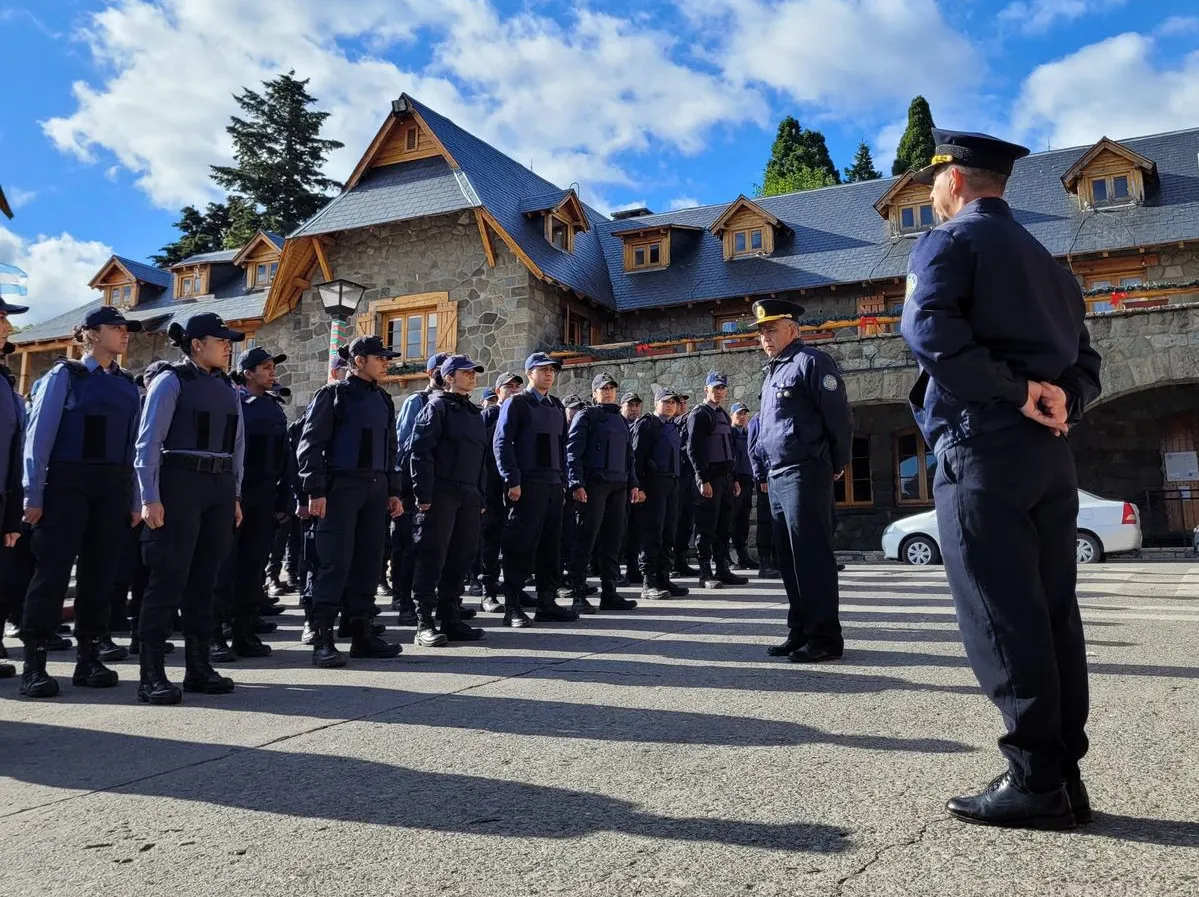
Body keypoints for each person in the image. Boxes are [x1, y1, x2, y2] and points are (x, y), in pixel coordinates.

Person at [899, 130, 1102, 829]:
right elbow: (1087, 362)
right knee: (1051, 614)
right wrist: (1059, 399)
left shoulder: (946, 243)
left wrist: (1014, 393)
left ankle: (1032, 778)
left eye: (932, 185)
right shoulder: (1051, 266)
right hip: (1049, 454)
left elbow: (928, 333)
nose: (931, 197)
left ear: (953, 181)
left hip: (981, 445)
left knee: (999, 614)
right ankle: (1062, 773)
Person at [17, 307, 142, 698]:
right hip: (67, 483)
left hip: (113, 485)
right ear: (91, 333)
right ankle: (34, 664)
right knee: (52, 572)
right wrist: (32, 492)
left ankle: (89, 657)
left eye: (127, 329)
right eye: (116, 328)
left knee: (101, 573)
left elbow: (134, 445)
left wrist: (137, 498)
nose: (124, 334)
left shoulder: (126, 383)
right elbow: (39, 438)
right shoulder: (64, 376)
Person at [135, 313, 246, 705]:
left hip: (217, 486)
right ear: (197, 343)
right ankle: (151, 675)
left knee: (205, 580)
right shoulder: (171, 381)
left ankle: (198, 667)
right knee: (168, 577)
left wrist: (234, 495)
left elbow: (237, 446)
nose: (228, 345)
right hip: (179, 482)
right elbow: (148, 442)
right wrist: (149, 496)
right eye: (221, 339)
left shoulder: (229, 388)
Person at [753, 299, 851, 665]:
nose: (765, 337)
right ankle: (801, 630)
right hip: (778, 473)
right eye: (761, 331)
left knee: (811, 555)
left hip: (806, 470)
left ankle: (825, 637)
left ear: (793, 330)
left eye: (771, 329)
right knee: (789, 558)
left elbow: (839, 416)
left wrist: (838, 462)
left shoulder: (811, 362)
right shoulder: (774, 371)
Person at [298, 336, 406, 667]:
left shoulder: (383, 400)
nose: (386, 363)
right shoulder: (332, 396)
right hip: (340, 488)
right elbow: (311, 444)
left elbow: (391, 447)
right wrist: (314, 490)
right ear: (359, 360)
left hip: (375, 489)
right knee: (334, 563)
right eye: (380, 358)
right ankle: (323, 639)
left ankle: (362, 635)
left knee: (368, 563)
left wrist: (393, 489)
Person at [211, 346, 292, 661]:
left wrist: (284, 497)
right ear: (247, 372)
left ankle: (244, 631)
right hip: (236, 494)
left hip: (264, 495)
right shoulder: (235, 404)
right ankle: (215, 633)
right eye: (266, 367)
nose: (272, 372)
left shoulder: (273, 407)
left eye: (273, 367)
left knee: (253, 566)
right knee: (224, 566)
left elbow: (285, 458)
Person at [409, 354, 489, 645]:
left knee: (460, 557)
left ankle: (450, 617)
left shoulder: (473, 412)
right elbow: (420, 452)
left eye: (473, 372)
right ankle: (424, 622)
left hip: (468, 494)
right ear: (449, 377)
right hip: (441, 493)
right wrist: (423, 493)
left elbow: (482, 457)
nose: (473, 376)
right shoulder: (436, 407)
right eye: (466, 372)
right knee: (433, 556)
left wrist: (480, 494)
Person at [493, 353, 578, 626]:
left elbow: (563, 447)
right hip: (528, 484)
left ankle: (546, 602)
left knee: (550, 547)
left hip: (553, 485)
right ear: (530, 373)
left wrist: (564, 480)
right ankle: (513, 606)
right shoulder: (517, 403)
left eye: (552, 370)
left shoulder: (555, 405)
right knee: (520, 545)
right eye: (542, 370)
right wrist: (512, 479)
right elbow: (502, 442)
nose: (549, 374)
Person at [564, 373, 642, 614]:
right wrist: (576, 483)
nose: (608, 392)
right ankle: (578, 594)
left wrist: (634, 484)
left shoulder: (620, 419)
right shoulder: (587, 416)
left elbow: (630, 457)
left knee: (613, 540)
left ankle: (610, 592)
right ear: (594, 392)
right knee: (585, 540)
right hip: (594, 486)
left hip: (618, 487)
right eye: (603, 388)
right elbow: (573, 452)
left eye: (611, 388)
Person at [390, 353, 450, 625]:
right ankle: (404, 600)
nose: (443, 373)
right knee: (408, 545)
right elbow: (405, 445)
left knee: (434, 547)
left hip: (443, 485)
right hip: (414, 486)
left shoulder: (453, 404)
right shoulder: (418, 401)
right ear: (430, 373)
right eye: (438, 368)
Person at [686, 372, 747, 590]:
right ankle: (705, 573)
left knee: (724, 526)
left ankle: (722, 569)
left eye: (722, 388)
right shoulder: (699, 414)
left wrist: (735, 479)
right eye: (715, 388)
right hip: (709, 479)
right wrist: (703, 479)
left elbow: (730, 450)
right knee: (706, 527)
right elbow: (693, 449)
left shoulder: (722, 414)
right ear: (706, 390)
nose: (719, 391)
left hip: (727, 479)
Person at [631, 387, 689, 601]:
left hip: (671, 484)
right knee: (651, 533)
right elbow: (636, 458)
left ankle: (664, 577)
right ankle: (649, 581)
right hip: (652, 486)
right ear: (656, 404)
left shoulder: (673, 427)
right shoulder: (647, 424)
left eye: (673, 402)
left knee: (668, 533)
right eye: (666, 402)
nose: (670, 406)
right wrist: (639, 486)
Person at [0, 300, 28, 680]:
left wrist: (11, 514)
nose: (7, 324)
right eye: (0, 316)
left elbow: (13, 448)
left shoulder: (5, 382)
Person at [478, 372, 522, 613]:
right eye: (509, 387)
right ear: (498, 392)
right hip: (493, 487)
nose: (514, 390)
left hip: (515, 485)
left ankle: (515, 589)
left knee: (516, 539)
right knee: (491, 540)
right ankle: (489, 591)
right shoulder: (489, 415)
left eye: (517, 386)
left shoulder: (522, 414)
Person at [747, 412, 778, 578]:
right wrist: (760, 477)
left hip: (781, 475)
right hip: (766, 478)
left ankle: (778, 559)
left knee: (780, 520)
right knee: (765, 520)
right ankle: (765, 561)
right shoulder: (757, 420)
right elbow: (753, 451)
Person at [671, 394, 698, 579]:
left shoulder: (687, 423)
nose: (682, 405)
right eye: (678, 402)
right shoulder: (669, 426)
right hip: (674, 478)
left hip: (688, 477)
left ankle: (681, 560)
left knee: (687, 521)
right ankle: (670, 562)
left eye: (684, 402)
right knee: (672, 521)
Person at [728, 402, 757, 570]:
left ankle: (743, 555)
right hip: (735, 480)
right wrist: (733, 480)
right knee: (730, 520)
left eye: (744, 414)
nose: (742, 417)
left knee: (743, 520)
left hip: (747, 479)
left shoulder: (748, 434)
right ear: (732, 416)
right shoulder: (730, 434)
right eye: (738, 414)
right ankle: (725, 557)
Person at [619, 391, 643, 584]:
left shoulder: (642, 426)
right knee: (618, 531)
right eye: (630, 405)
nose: (634, 409)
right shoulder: (619, 425)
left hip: (634, 484)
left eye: (636, 405)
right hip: (618, 485)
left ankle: (633, 568)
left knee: (636, 529)